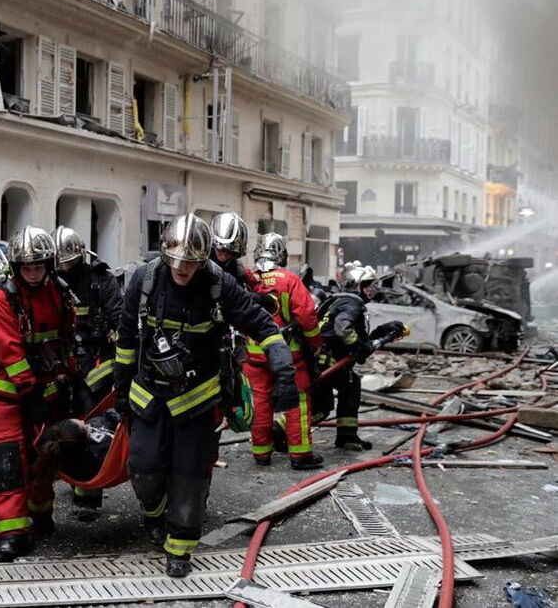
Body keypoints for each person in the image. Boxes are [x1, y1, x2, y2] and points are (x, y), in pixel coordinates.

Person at [114, 214, 299, 578]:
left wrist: (283, 367)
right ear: (165, 255)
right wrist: (121, 393)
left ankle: (180, 546)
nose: (183, 269)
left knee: (191, 474)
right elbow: (125, 339)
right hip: (148, 394)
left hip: (197, 397)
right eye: (177, 261)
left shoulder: (219, 284)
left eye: (192, 262)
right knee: (144, 467)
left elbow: (261, 324)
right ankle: (155, 513)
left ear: (204, 260)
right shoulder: (145, 279)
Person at [0, 226, 77, 561]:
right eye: (26, 267)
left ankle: (41, 513)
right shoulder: (0, 299)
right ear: (16, 268)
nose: (33, 273)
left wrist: (69, 380)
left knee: (46, 458)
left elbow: (65, 341)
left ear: (49, 264)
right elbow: (10, 351)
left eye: (39, 266)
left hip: (46, 394)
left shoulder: (59, 293)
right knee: (6, 464)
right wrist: (30, 394)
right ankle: (11, 533)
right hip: (5, 399)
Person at [243, 233, 324, 470]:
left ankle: (261, 454)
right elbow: (307, 316)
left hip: (255, 355)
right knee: (297, 403)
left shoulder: (250, 279)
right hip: (290, 356)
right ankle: (300, 455)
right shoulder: (290, 280)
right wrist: (315, 342)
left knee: (260, 404)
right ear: (282, 254)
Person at [314, 264, 405, 451]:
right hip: (327, 364)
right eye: (367, 284)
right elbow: (343, 329)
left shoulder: (337, 301)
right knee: (320, 408)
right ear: (356, 285)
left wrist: (383, 331)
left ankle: (347, 436)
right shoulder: (353, 304)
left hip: (329, 363)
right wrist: (358, 348)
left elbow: (360, 340)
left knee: (351, 385)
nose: (371, 289)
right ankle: (280, 431)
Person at [52, 226, 123, 398]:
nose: (66, 268)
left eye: (70, 263)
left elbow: (119, 321)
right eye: (60, 264)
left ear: (82, 256)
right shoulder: (49, 284)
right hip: (60, 363)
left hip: (97, 364)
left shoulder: (101, 280)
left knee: (93, 414)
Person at [32, 410, 121, 486]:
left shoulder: (62, 447)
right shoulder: (100, 454)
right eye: (84, 428)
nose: (83, 422)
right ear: (85, 445)